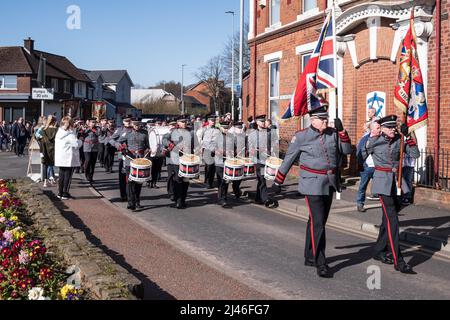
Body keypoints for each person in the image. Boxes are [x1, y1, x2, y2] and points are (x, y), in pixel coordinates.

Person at [272, 105, 352, 278]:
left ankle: (309, 255)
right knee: (318, 223)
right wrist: (278, 182)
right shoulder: (301, 136)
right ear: (312, 120)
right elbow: (289, 159)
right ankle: (320, 262)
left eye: (326, 118)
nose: (325, 121)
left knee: (318, 220)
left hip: (330, 182)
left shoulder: (333, 133)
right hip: (311, 184)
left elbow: (347, 151)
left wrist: (343, 132)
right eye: (322, 119)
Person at [362, 115, 419, 274]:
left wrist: (409, 136)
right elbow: (361, 156)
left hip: (398, 184)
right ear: (382, 129)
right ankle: (398, 261)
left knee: (387, 219)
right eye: (390, 127)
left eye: (394, 127)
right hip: (382, 183)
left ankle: (379, 250)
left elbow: (415, 154)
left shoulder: (400, 140)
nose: (393, 129)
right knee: (392, 220)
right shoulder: (374, 141)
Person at [117, 119, 150, 211]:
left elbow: (148, 145)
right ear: (132, 125)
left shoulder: (145, 133)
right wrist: (122, 148)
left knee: (139, 182)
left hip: (140, 159)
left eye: (138, 125)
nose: (137, 127)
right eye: (135, 125)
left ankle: (137, 201)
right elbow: (118, 141)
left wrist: (148, 149)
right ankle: (130, 202)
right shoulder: (127, 133)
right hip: (129, 159)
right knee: (130, 181)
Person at [248, 115, 278, 206]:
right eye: (261, 121)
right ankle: (266, 199)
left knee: (261, 180)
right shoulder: (252, 134)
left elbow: (275, 142)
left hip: (267, 159)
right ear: (257, 122)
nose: (263, 123)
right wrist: (254, 151)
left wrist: (273, 149)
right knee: (262, 179)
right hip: (258, 160)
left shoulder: (269, 132)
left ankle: (258, 198)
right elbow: (250, 147)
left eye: (264, 121)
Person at [55, 117, 82, 200]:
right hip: (68, 158)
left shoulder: (59, 132)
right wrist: (80, 140)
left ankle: (60, 192)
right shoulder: (69, 134)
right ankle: (65, 193)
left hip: (61, 157)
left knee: (61, 175)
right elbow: (76, 144)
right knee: (68, 176)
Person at [356, 121, 381, 212]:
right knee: (362, 186)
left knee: (380, 187)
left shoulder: (381, 139)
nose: (380, 129)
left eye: (380, 127)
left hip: (378, 167)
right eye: (378, 128)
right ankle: (360, 204)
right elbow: (359, 152)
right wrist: (360, 165)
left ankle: (384, 205)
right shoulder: (365, 139)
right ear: (372, 129)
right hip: (366, 167)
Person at [110, 116, 134, 201]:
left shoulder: (135, 129)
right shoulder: (120, 130)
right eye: (126, 121)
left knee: (133, 177)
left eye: (129, 121)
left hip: (133, 156)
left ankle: (132, 196)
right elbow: (111, 139)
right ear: (123, 122)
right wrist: (118, 145)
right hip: (123, 156)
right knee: (123, 177)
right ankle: (123, 195)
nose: (128, 122)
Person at [213, 121, 235, 208]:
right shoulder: (216, 136)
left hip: (228, 161)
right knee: (221, 180)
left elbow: (235, 147)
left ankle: (223, 197)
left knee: (226, 181)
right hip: (219, 162)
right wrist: (217, 151)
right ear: (221, 128)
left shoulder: (231, 136)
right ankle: (222, 199)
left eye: (227, 128)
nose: (225, 129)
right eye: (224, 128)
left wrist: (234, 151)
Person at [39, 115, 58, 188]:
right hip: (54, 150)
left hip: (45, 150)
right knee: (57, 166)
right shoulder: (57, 130)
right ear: (54, 121)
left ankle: (45, 182)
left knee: (45, 165)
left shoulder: (43, 129)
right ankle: (53, 179)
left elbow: (38, 137)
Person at [201, 115, 220, 189]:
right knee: (208, 167)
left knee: (213, 168)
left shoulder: (217, 129)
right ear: (208, 121)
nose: (213, 122)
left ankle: (210, 182)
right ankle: (208, 181)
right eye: (212, 120)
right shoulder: (205, 129)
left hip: (216, 150)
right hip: (208, 150)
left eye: (214, 120)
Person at [162, 120, 178, 202]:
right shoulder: (167, 135)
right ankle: (171, 193)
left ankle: (176, 193)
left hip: (178, 158)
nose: (173, 127)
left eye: (174, 125)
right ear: (169, 127)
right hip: (170, 158)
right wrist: (169, 144)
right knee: (170, 176)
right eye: (171, 126)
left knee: (177, 177)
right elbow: (164, 140)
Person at [82, 118, 101, 183]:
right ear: (89, 122)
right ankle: (86, 173)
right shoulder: (85, 127)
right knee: (88, 160)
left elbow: (99, 134)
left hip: (94, 147)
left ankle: (91, 176)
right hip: (87, 146)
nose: (93, 123)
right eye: (92, 122)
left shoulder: (97, 128)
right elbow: (81, 134)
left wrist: (93, 129)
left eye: (94, 122)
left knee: (93, 162)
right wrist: (85, 129)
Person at [148, 120, 165, 188]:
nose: (159, 124)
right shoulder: (150, 131)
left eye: (160, 123)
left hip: (159, 153)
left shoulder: (163, 132)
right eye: (158, 123)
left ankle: (154, 183)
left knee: (157, 169)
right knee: (150, 169)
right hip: (151, 153)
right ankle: (149, 182)